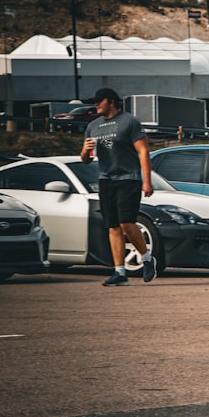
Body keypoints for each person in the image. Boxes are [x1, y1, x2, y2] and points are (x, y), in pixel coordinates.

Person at [79, 87, 156, 286]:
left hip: (128, 178)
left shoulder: (129, 121)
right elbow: (86, 160)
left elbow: (143, 152)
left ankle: (147, 259)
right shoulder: (93, 126)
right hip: (106, 180)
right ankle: (120, 272)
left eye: (99, 101)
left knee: (126, 223)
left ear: (111, 101)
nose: (95, 104)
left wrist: (146, 181)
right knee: (112, 225)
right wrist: (85, 152)